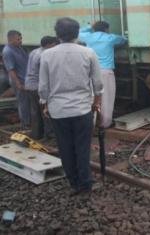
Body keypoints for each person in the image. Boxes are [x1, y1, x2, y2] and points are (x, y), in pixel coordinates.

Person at [39, 18, 103, 195]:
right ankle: (85, 185)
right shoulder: (88, 53)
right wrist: (97, 103)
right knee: (82, 148)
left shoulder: (47, 55)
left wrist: (45, 104)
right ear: (77, 33)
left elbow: (43, 87)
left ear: (57, 34)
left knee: (65, 148)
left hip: (58, 110)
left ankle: (74, 183)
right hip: (82, 109)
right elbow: (97, 83)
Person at [79, 21, 127, 128]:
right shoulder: (110, 38)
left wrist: (89, 27)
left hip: (90, 71)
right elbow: (124, 40)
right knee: (106, 98)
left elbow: (78, 32)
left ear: (94, 29)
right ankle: (105, 123)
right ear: (106, 29)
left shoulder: (88, 37)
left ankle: (90, 124)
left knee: (90, 97)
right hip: (105, 71)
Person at [25, 36, 59, 139]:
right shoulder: (44, 54)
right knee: (45, 111)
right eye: (54, 44)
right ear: (49, 44)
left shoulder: (34, 51)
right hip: (38, 86)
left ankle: (36, 134)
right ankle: (49, 135)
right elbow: (44, 74)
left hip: (30, 85)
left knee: (34, 111)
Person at [2, 30, 30, 128]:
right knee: (23, 103)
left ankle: (29, 122)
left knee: (27, 102)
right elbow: (11, 70)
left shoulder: (19, 48)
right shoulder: (8, 51)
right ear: (11, 39)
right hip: (19, 81)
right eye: (18, 39)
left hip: (25, 80)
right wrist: (17, 83)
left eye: (20, 38)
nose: (20, 41)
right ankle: (25, 124)